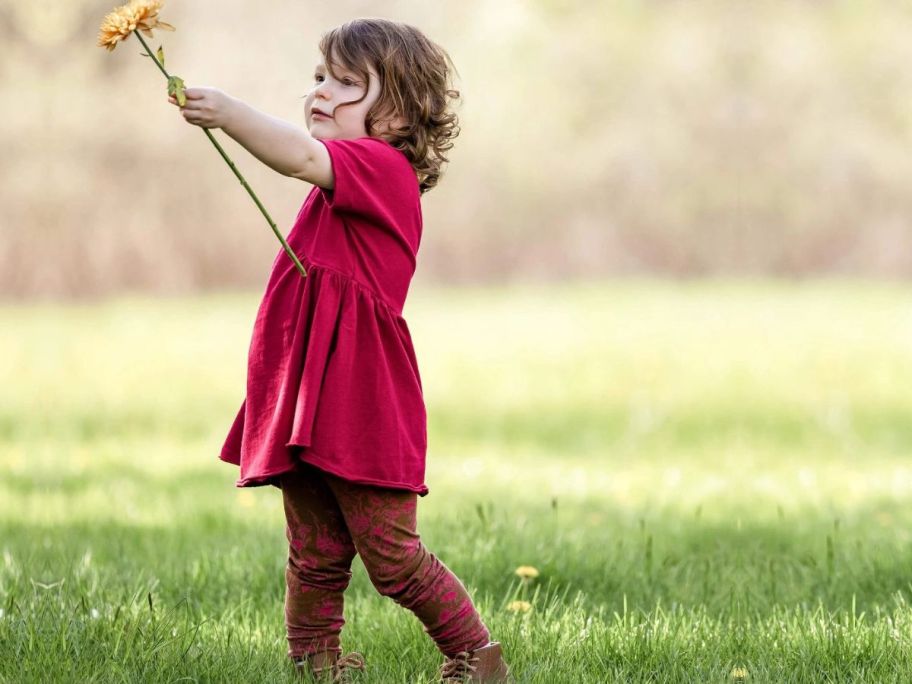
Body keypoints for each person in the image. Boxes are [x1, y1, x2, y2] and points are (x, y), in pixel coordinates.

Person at [168, 17, 514, 684]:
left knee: (391, 556)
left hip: (358, 400)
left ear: (397, 115)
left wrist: (230, 113)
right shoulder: (337, 188)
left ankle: (478, 657)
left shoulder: (384, 170)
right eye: (320, 77)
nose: (321, 92)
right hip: (307, 398)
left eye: (347, 83)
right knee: (315, 552)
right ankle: (315, 666)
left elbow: (299, 155)